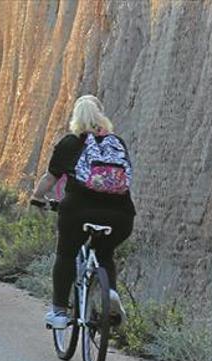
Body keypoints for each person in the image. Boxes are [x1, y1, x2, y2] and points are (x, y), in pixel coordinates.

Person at [30, 94, 135, 329]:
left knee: (66, 254)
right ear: (101, 115)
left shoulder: (70, 143)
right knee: (104, 252)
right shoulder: (116, 143)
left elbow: (50, 178)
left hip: (78, 212)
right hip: (121, 216)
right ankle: (109, 293)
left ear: (76, 118)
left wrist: (37, 198)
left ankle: (58, 312)